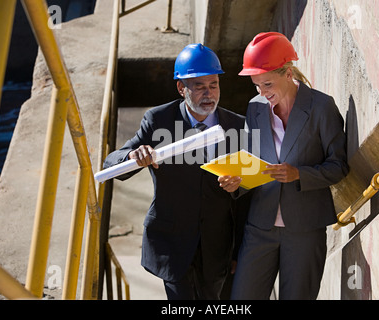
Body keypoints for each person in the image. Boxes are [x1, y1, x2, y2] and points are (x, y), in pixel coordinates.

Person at [103, 43, 246, 300]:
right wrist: (132, 156)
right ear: (181, 88)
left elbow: (250, 191)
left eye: (213, 85)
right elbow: (112, 166)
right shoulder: (159, 120)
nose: (209, 93)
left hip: (219, 248)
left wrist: (239, 186)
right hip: (172, 245)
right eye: (199, 86)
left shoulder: (238, 126)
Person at [219, 32, 349, 299]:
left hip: (304, 230)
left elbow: (339, 166)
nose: (262, 93)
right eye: (257, 86)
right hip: (259, 228)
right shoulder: (255, 108)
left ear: (288, 73)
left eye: (267, 84)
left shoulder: (321, 107)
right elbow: (250, 163)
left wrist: (299, 174)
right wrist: (237, 182)